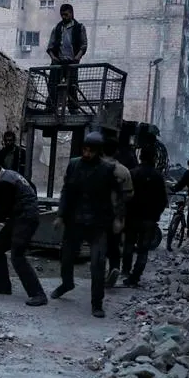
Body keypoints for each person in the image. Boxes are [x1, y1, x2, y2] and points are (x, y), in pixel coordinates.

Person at [51, 131, 121, 318]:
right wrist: (60, 215)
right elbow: (66, 191)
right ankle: (67, 283)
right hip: (75, 221)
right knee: (66, 258)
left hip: (98, 224)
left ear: (98, 151)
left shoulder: (107, 170)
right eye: (84, 149)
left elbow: (116, 196)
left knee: (97, 264)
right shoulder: (74, 165)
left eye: (90, 150)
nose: (86, 153)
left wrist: (117, 219)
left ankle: (97, 303)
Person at [0, 156, 48, 307]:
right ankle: (3, 287)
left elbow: (3, 212)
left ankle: (38, 294)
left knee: (17, 255)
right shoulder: (11, 175)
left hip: (25, 219)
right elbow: (32, 188)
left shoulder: (4, 183)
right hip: (19, 217)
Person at [122, 145, 168, 286]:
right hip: (149, 219)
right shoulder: (158, 177)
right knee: (143, 249)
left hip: (132, 217)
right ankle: (135, 277)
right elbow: (163, 201)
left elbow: (125, 196)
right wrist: (156, 216)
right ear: (154, 158)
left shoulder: (132, 173)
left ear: (140, 157)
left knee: (128, 245)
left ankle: (125, 271)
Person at [101, 138, 134, 287]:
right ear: (116, 152)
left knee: (98, 245)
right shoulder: (123, 170)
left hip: (96, 214)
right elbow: (129, 195)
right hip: (115, 215)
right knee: (114, 244)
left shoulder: (95, 167)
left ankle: (99, 272)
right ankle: (114, 268)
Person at [46, 4, 88, 114]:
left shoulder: (79, 27)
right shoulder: (57, 28)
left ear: (71, 13)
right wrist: (54, 59)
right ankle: (51, 107)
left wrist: (76, 59)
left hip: (72, 62)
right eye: (62, 15)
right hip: (58, 62)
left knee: (72, 86)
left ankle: (73, 108)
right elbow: (50, 47)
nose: (63, 17)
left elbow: (84, 46)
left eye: (66, 14)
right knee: (53, 85)